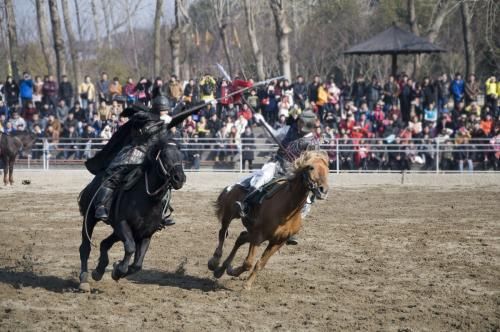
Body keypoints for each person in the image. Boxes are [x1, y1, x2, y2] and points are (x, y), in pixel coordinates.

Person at [235, 110, 319, 245]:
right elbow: (274, 134)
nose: (299, 124)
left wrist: (298, 165)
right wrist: (262, 121)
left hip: (295, 174)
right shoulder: (290, 129)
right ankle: (246, 205)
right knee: (262, 177)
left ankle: (290, 231)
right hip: (277, 164)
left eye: (302, 123)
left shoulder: (313, 143)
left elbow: (311, 163)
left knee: (307, 204)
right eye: (299, 122)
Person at [86, 96, 173, 222]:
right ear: (157, 110)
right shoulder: (143, 117)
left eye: (167, 111)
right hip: (134, 154)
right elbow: (144, 130)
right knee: (113, 175)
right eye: (164, 111)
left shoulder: (164, 123)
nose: (166, 113)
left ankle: (162, 212)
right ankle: (101, 205)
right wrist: (158, 119)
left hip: (151, 158)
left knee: (164, 180)